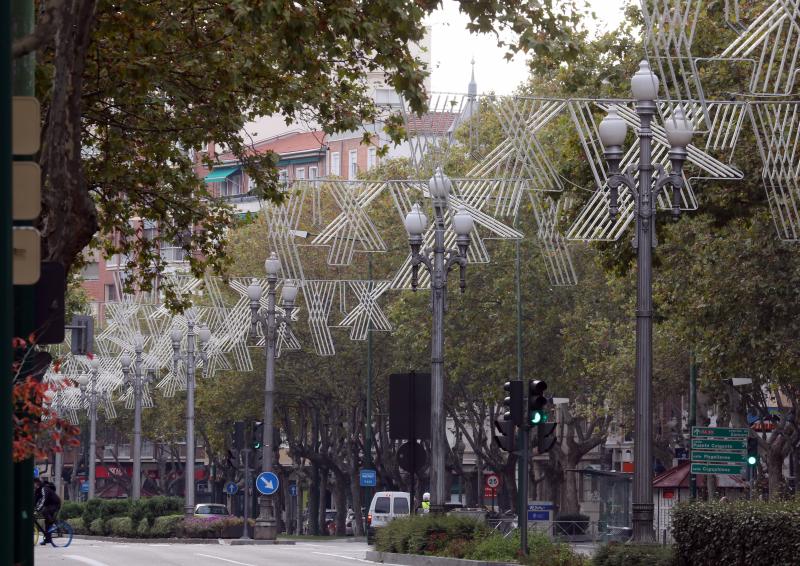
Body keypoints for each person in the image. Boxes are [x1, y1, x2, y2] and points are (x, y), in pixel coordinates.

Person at [34, 478, 61, 545]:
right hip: (49, 505)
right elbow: (34, 500)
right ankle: (47, 539)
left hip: (55, 504)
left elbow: (43, 500)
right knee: (47, 522)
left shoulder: (44, 488)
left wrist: (37, 510)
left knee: (45, 511)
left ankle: (54, 524)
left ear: (37, 483)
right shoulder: (38, 490)